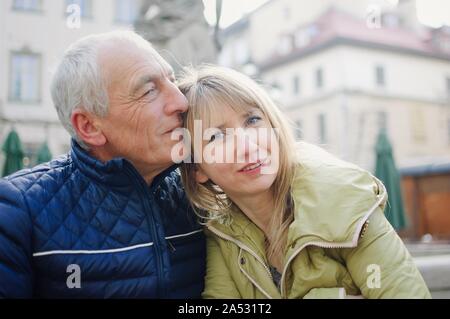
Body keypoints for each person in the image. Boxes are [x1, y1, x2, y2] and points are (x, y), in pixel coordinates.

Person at [177, 65, 431, 299]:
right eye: (216, 136)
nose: (246, 146)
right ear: (197, 169)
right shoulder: (222, 232)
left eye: (252, 120)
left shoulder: (341, 198)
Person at [0, 31, 205, 298]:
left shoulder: (202, 190)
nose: (181, 101)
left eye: (172, 80)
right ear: (89, 126)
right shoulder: (17, 213)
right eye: (149, 90)